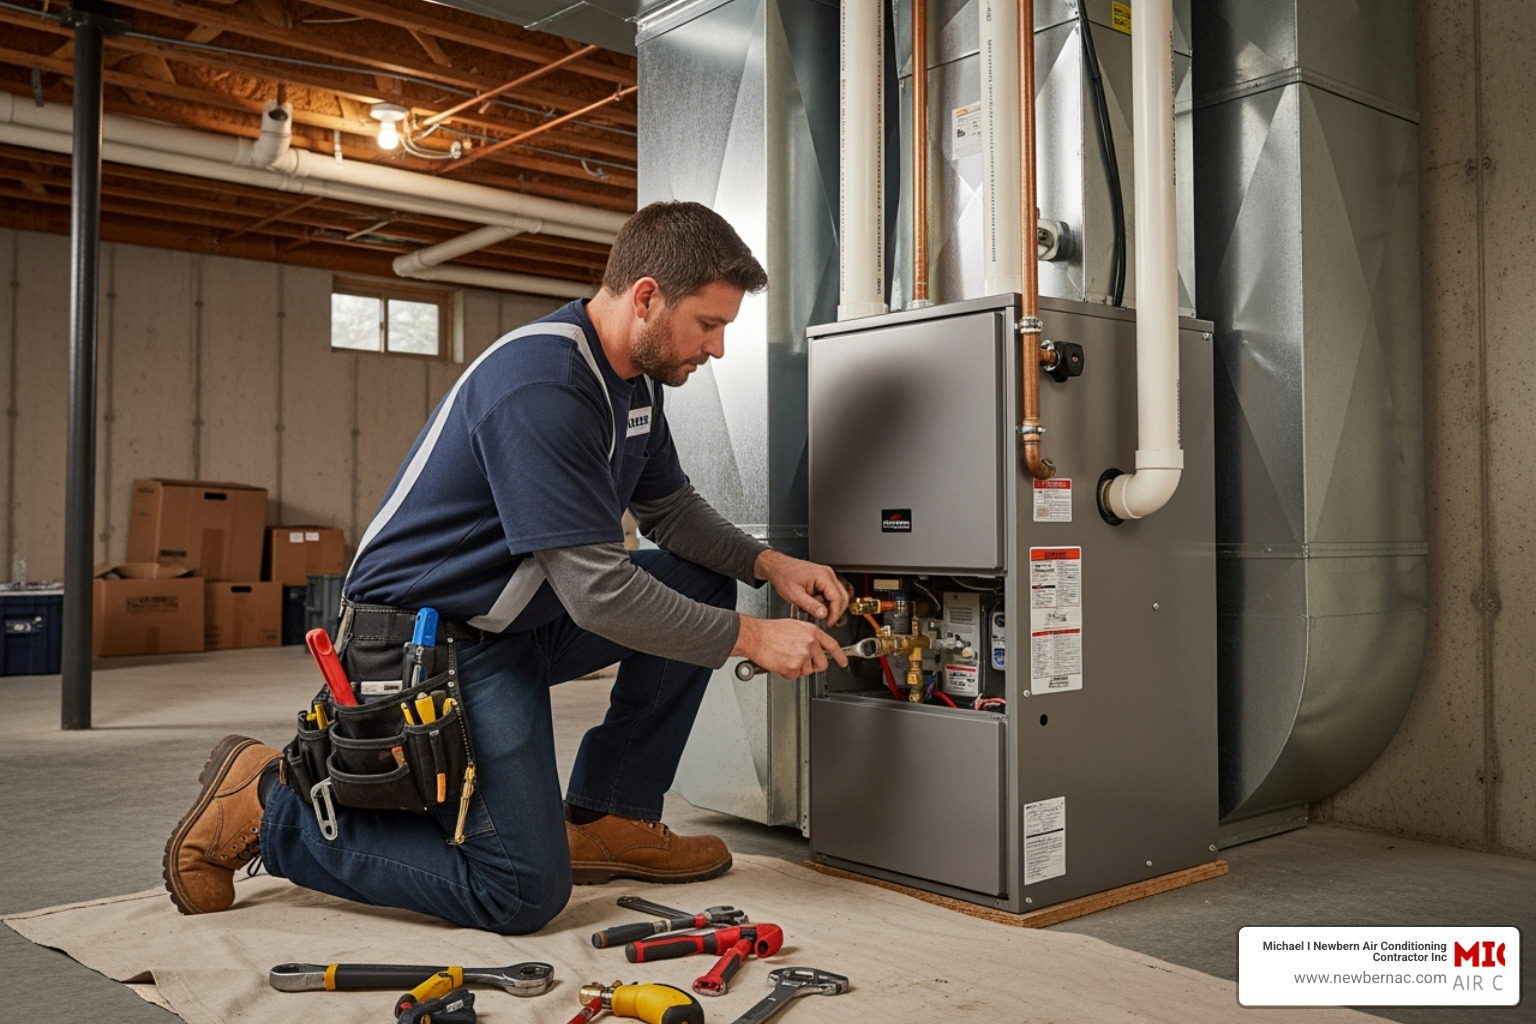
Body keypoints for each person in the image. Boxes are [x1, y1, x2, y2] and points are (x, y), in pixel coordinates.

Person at [161, 201, 849, 934]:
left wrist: (768, 563)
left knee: (698, 578)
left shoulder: (636, 383)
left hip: (517, 616)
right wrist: (752, 639)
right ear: (647, 298)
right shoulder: (544, 386)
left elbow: (669, 511)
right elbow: (600, 595)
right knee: (521, 892)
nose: (715, 348)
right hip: (428, 644)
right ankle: (267, 806)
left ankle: (608, 816)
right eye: (708, 325)